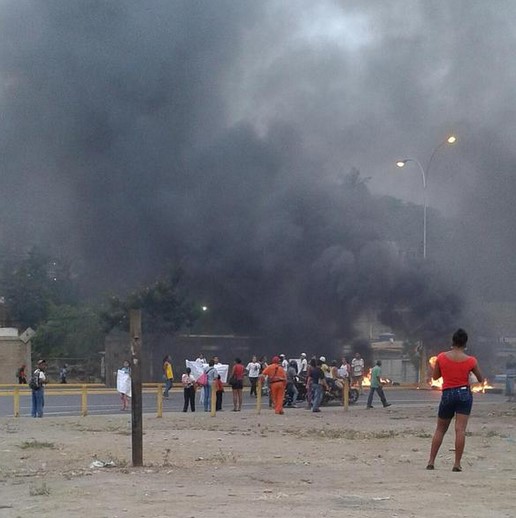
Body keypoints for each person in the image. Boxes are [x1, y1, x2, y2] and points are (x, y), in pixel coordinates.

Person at [427, 329, 484, 472]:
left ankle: (431, 461)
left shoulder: (441, 357)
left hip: (447, 393)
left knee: (440, 429)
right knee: (460, 430)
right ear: (465, 343)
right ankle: (457, 464)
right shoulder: (471, 360)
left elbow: (435, 377)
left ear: (452, 341)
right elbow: (480, 379)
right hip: (464, 393)